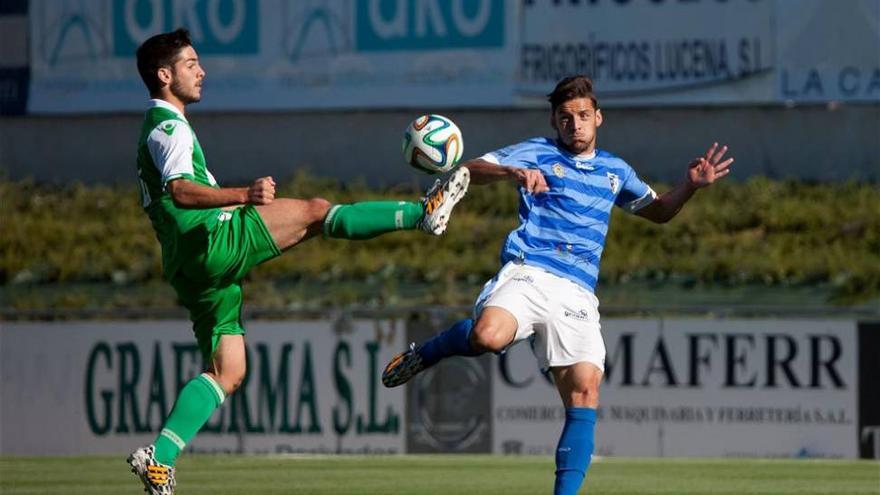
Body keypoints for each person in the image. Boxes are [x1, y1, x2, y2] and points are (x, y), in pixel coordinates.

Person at [127, 28, 470, 495]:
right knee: (316, 211)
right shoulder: (169, 127)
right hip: (212, 240)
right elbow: (180, 191)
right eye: (191, 64)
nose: (201, 71)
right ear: (164, 75)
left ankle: (159, 459)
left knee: (228, 371)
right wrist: (242, 195)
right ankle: (421, 214)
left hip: (189, 266)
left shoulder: (156, 127)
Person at [381, 75, 733, 495]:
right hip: (530, 270)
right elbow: (467, 169)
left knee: (585, 393)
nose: (575, 124)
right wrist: (511, 170)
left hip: (578, 290)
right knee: (488, 337)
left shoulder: (616, 171)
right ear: (554, 121)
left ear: (598, 118)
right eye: (566, 117)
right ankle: (431, 351)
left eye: (583, 115)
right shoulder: (536, 152)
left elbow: (658, 213)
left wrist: (690, 187)